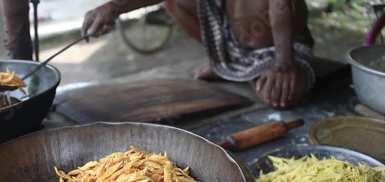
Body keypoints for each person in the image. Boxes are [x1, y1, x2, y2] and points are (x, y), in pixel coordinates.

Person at [81, 0, 315, 109]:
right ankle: (225, 62)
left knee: (281, 97)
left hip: (281, 44)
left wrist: (284, 62)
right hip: (233, 38)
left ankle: (276, 67)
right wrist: (113, 8)